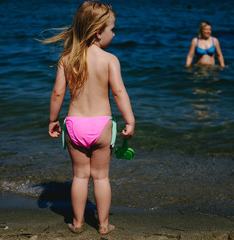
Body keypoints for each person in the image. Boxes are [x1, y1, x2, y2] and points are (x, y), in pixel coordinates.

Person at [41, 1, 135, 235]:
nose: (113, 34)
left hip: (74, 126)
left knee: (80, 177)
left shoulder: (67, 59)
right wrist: (130, 120)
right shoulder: (110, 60)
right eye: (112, 29)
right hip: (102, 126)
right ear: (97, 32)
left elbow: (58, 93)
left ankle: (78, 223)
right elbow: (119, 92)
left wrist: (53, 119)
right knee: (101, 177)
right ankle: (103, 225)